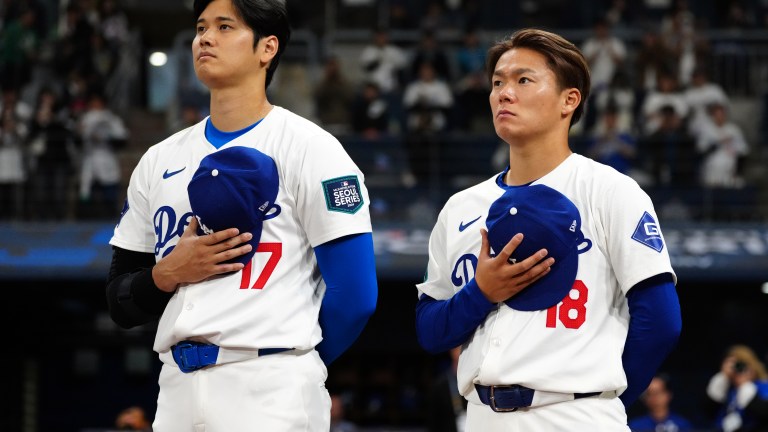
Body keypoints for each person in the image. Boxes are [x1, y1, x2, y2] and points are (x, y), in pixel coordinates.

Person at [105, 1, 378, 431]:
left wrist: (293, 362)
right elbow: (119, 302)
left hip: (270, 385)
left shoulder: (312, 148)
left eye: (224, 26)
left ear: (267, 47)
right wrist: (165, 274)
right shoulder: (158, 160)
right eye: (200, 28)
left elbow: (356, 296)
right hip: (176, 385)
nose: (204, 38)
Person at [414, 28, 682, 430]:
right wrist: (481, 293)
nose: (505, 93)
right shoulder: (459, 208)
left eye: (523, 80)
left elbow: (661, 321)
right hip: (482, 416)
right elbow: (429, 330)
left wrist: (604, 400)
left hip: (576, 414)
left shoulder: (610, 191)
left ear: (569, 100)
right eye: (498, 82)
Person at [706, 345, 768, 432]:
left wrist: (744, 384)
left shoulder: (764, 386)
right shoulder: (728, 389)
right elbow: (708, 412)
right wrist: (723, 378)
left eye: (740, 365)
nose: (737, 369)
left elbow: (763, 414)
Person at [628, 374, 693, 432]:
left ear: (668, 394)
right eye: (649, 394)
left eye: (657, 392)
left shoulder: (682, 424)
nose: (654, 397)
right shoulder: (635, 426)